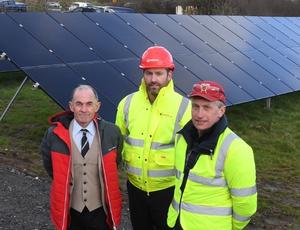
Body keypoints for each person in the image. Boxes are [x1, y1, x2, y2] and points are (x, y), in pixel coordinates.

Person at [115, 46, 191, 230]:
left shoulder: (184, 107)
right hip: (135, 189)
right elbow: (117, 143)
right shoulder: (127, 104)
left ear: (169, 74)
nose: (153, 79)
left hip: (168, 191)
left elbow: (192, 154)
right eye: (148, 73)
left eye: (159, 73)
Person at [167, 80, 257, 230]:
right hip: (177, 222)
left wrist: (233, 227)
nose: (199, 114)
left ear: (221, 111)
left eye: (207, 107)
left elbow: (245, 204)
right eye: (195, 106)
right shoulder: (182, 138)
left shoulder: (236, 149)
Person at [41, 85, 123, 230]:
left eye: (89, 104)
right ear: (71, 106)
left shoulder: (112, 132)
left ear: (97, 106)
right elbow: (50, 166)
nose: (84, 110)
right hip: (70, 211)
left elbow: (114, 163)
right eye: (79, 104)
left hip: (100, 211)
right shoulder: (54, 134)